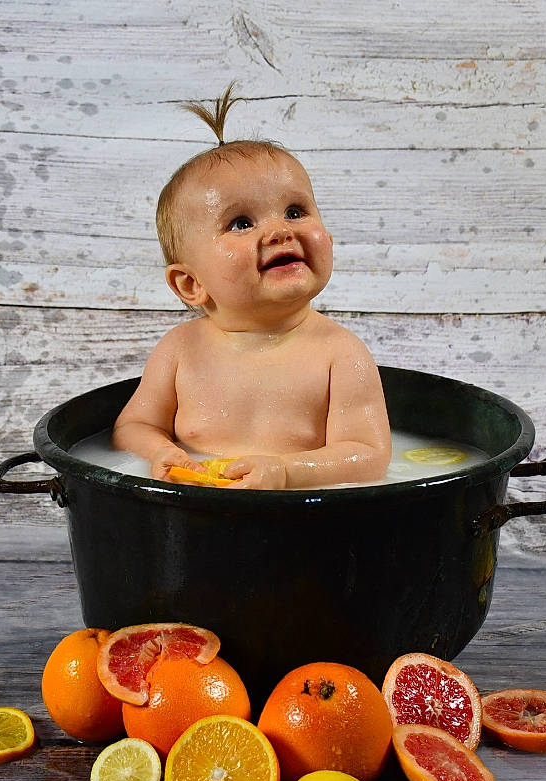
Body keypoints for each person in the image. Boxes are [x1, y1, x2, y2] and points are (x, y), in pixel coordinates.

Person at [112, 84, 391, 489]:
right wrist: (160, 452)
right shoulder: (180, 351)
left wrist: (286, 471)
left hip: (303, 523)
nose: (280, 230)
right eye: (241, 223)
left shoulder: (340, 355)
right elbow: (131, 428)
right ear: (190, 283)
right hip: (194, 518)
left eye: (295, 211)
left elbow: (368, 456)